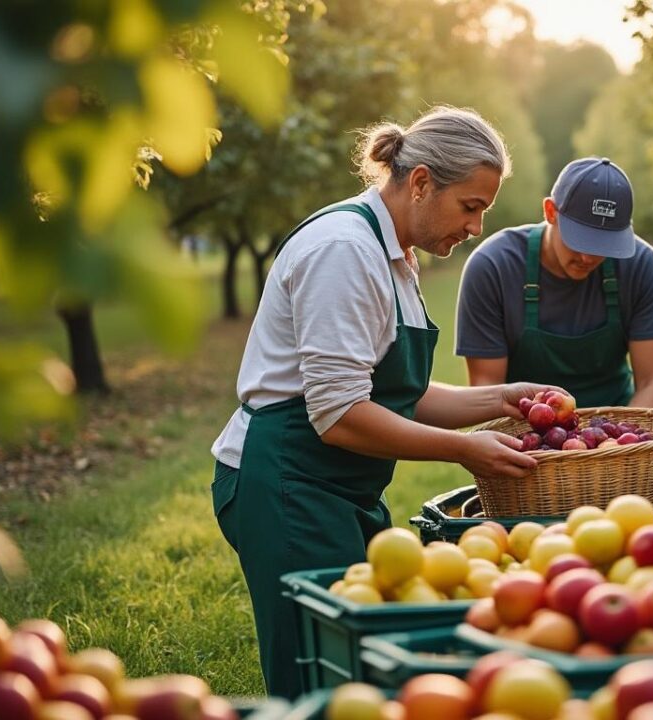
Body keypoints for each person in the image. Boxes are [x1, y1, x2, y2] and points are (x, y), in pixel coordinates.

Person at [209, 106, 558, 698]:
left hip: (338, 484)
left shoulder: (394, 253)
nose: (475, 228)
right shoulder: (344, 251)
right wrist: (463, 452)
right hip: (289, 481)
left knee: (362, 666)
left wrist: (503, 397)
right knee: (318, 675)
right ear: (421, 182)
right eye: (470, 207)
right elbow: (340, 414)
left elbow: (400, 395)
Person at [455, 157, 653, 409]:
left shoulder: (639, 264)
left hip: (617, 427)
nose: (588, 257)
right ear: (551, 212)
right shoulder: (493, 267)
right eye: (580, 240)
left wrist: (622, 441)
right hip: (525, 433)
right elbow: (487, 388)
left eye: (604, 244)